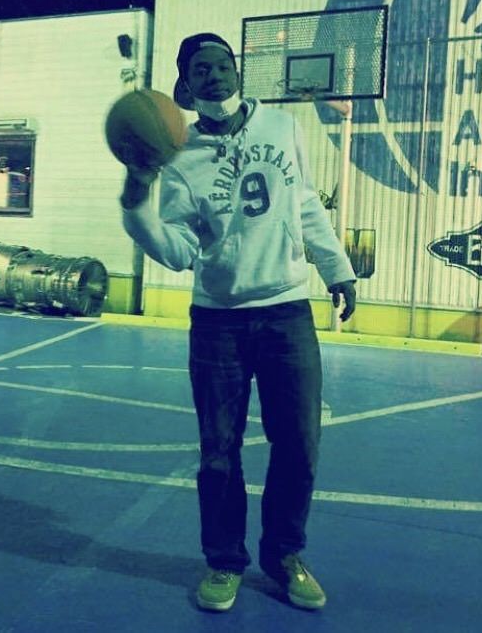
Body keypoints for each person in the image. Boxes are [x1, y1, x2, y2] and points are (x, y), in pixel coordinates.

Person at [120, 33, 356, 612]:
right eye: (201, 69)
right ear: (185, 85)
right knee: (219, 452)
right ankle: (225, 560)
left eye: (223, 64)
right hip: (219, 322)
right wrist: (137, 197)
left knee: (299, 444)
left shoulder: (282, 127)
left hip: (287, 310)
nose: (216, 75)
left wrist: (337, 269)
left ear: (237, 71)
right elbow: (179, 249)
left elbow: (305, 205)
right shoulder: (177, 156)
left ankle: (284, 556)